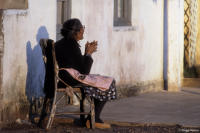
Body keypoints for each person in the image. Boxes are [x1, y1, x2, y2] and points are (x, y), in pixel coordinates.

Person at [55, 18, 117, 128]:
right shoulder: (72, 46)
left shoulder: (61, 43)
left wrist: (85, 52)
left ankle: (90, 118)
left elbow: (75, 64)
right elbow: (84, 72)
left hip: (62, 77)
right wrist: (88, 54)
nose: (83, 31)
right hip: (69, 79)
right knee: (108, 83)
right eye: (82, 29)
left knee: (101, 80)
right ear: (77, 32)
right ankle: (94, 118)